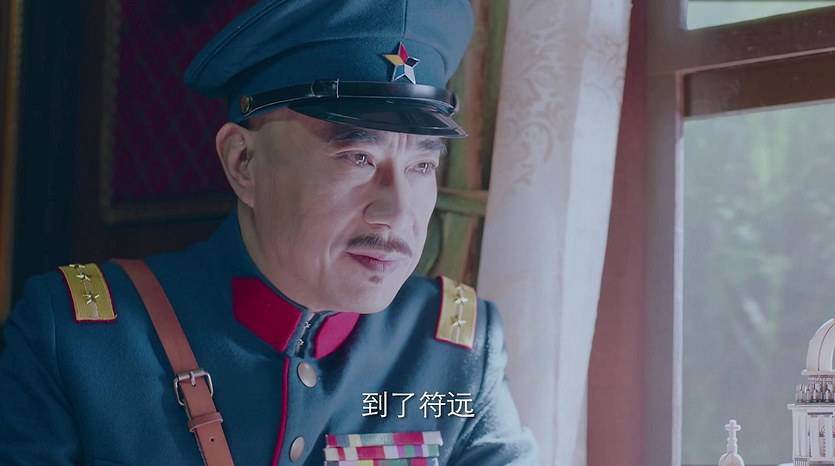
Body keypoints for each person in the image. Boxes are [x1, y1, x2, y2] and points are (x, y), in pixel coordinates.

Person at [0, 0, 539, 465]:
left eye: (422, 165)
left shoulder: (457, 355)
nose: (397, 212)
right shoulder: (79, 340)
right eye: (357, 157)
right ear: (243, 163)